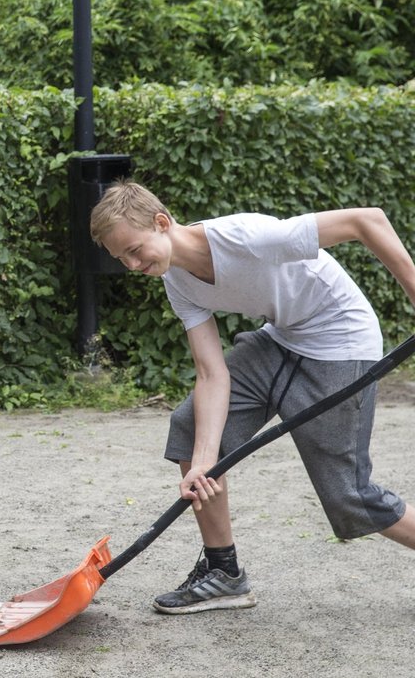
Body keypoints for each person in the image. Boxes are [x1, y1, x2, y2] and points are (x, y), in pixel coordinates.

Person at [89, 181, 415, 616]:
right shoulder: (177, 281)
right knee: (191, 430)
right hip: (282, 339)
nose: (132, 264)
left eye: (134, 249)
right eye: (120, 259)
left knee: (350, 497)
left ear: (161, 223)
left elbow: (366, 219)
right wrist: (204, 461)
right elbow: (211, 373)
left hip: (341, 343)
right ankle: (224, 574)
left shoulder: (247, 238)